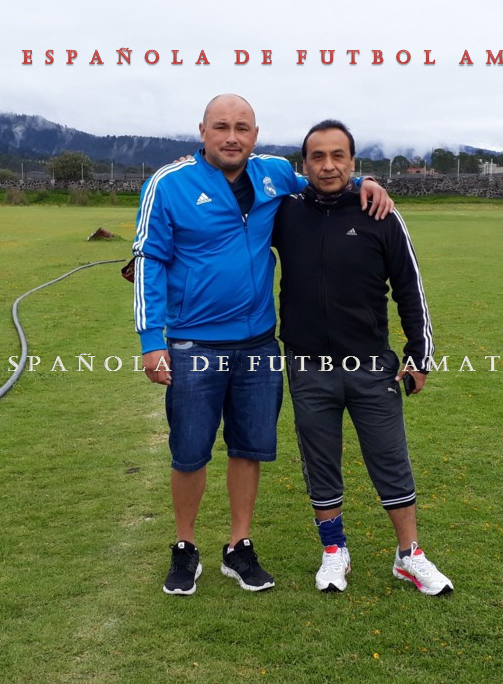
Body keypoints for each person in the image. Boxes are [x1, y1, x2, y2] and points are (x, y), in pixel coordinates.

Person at [131, 95, 394, 596]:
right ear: (202, 131)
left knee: (248, 448)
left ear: (255, 134)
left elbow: (321, 177)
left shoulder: (273, 173)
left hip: (259, 343)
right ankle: (185, 546)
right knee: (189, 452)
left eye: (242, 127)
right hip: (193, 344)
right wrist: (150, 339)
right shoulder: (168, 183)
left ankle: (239, 546)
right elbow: (148, 259)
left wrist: (366, 181)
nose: (232, 137)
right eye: (221, 127)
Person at [272, 119, 453, 596]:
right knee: (320, 462)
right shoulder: (285, 211)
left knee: (390, 459)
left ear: (353, 162)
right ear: (304, 163)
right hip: (308, 366)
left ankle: (408, 555)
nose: (328, 165)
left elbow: (409, 287)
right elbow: (227, 224)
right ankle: (334, 551)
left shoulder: (380, 212)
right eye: (318, 156)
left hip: (372, 366)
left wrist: (420, 356)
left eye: (339, 156)